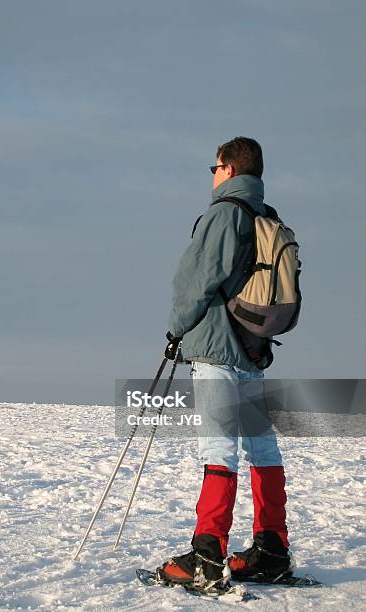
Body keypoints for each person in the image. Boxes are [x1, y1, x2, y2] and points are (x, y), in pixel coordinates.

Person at [160, 137, 291, 590]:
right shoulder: (266, 217)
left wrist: (176, 328)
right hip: (254, 352)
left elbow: (196, 279)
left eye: (214, 167)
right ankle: (272, 550)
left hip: (216, 349)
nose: (212, 175)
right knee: (261, 448)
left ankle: (206, 557)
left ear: (230, 170)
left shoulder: (225, 212)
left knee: (218, 448)